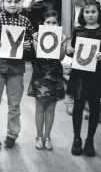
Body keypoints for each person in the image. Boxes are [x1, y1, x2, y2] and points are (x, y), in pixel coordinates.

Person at [0, 0, 35, 149]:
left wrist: (28, 46)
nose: (12, 4)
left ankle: (12, 134)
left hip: (16, 68)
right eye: (9, 1)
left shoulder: (25, 22)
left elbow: (31, 46)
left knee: (15, 103)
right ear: (2, 2)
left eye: (15, 1)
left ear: (20, 3)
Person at [66, 0, 101, 157]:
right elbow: (73, 49)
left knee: (94, 108)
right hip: (80, 74)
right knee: (78, 107)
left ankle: (90, 140)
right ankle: (76, 139)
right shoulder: (78, 30)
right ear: (83, 13)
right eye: (87, 12)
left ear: (98, 13)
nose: (90, 15)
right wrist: (69, 50)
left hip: (97, 74)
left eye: (93, 11)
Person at [27, 10, 66, 150]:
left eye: (54, 22)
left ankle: (47, 137)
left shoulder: (62, 37)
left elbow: (61, 57)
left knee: (51, 108)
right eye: (47, 22)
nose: (51, 24)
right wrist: (35, 40)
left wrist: (62, 43)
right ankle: (38, 136)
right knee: (40, 107)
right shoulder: (36, 37)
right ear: (42, 24)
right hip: (40, 72)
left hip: (55, 72)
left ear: (58, 24)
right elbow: (38, 54)